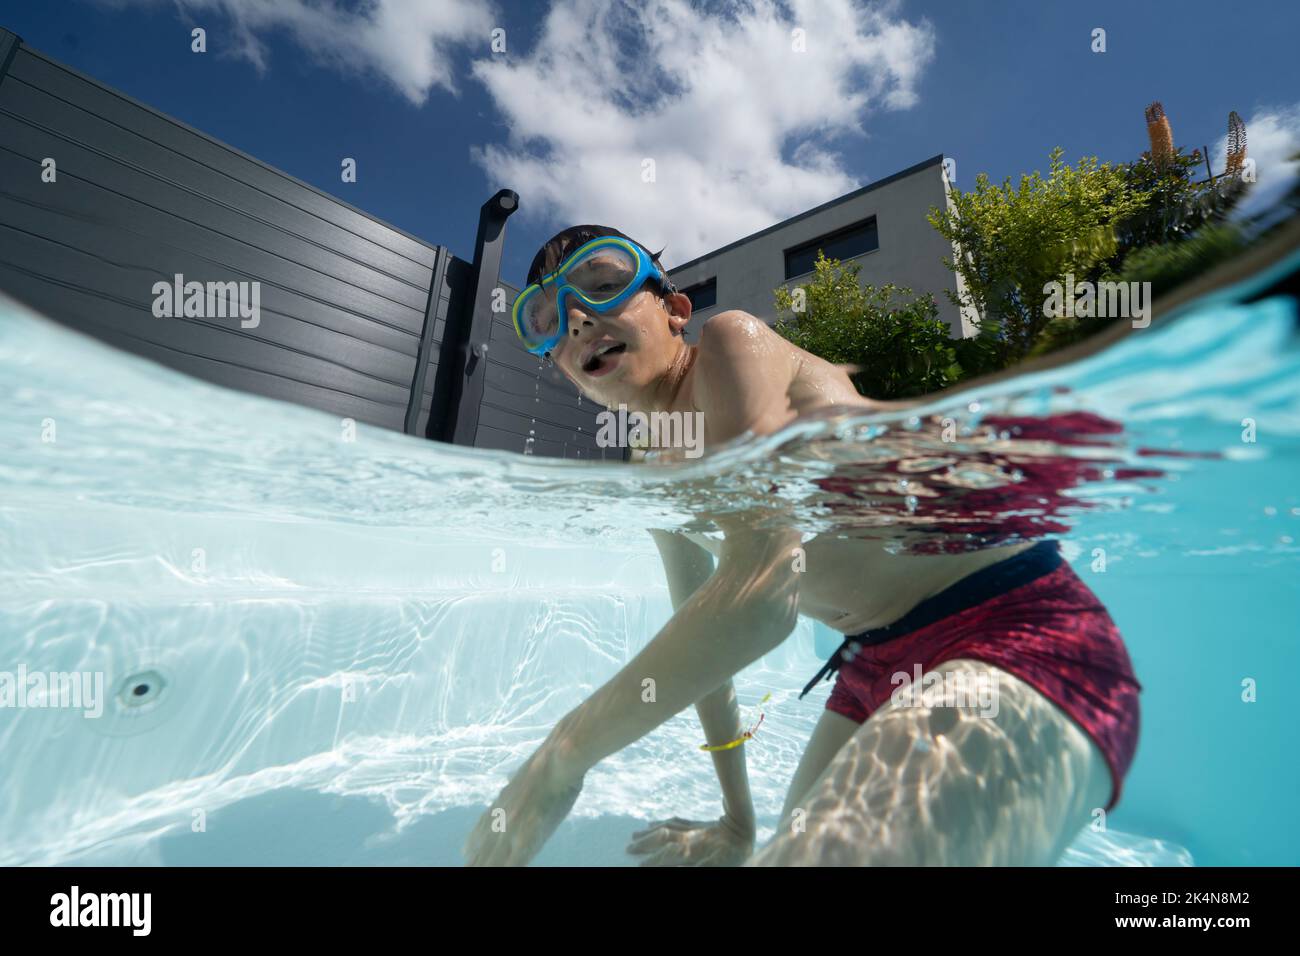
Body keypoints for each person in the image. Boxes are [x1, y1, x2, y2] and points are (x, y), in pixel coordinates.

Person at [461, 225, 1141, 866]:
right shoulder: (650, 466)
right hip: (876, 664)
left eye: (603, 282)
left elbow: (762, 599)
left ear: (674, 308)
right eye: (547, 317)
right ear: (557, 361)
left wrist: (564, 753)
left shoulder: (733, 343)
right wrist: (736, 824)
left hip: (1019, 628)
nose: (578, 316)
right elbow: (707, 647)